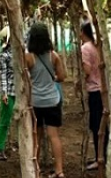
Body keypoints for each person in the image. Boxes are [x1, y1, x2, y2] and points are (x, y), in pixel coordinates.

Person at [26, 22, 67, 178]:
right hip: (52, 100)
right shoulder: (54, 56)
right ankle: (59, 170)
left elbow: (24, 78)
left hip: (36, 102)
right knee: (54, 136)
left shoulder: (29, 57)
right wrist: (52, 79)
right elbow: (62, 77)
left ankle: (35, 170)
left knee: (36, 136)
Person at [80, 21, 107, 172]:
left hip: (93, 91)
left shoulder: (85, 48)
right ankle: (102, 156)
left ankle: (100, 159)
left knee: (97, 126)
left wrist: (79, 81)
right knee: (102, 126)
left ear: (83, 32)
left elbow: (87, 71)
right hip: (103, 89)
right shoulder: (98, 47)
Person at [0, 26, 15, 161]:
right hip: (11, 93)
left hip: (22, 92)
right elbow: (3, 76)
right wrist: (4, 93)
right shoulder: (4, 55)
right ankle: (0, 149)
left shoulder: (23, 52)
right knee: (5, 121)